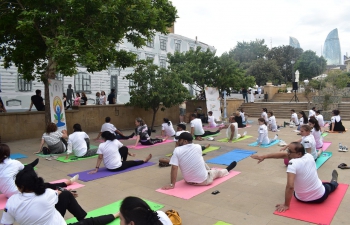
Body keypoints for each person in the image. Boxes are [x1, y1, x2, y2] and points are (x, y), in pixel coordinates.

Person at [0, 164, 120, 225]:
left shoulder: (12, 202)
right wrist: (66, 191)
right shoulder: (48, 194)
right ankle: (116, 214)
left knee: (66, 194)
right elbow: (58, 192)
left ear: (20, 187)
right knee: (90, 222)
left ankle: (82, 218)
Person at [251, 142, 339, 212]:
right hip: (319, 196)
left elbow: (290, 186)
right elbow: (282, 155)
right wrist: (264, 156)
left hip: (301, 198)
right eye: (288, 151)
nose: (288, 154)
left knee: (326, 185)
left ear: (298, 154)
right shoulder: (309, 156)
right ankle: (333, 182)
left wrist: (286, 205)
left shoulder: (293, 163)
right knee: (326, 186)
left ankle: (334, 181)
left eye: (290, 151)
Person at [161, 132, 237, 190]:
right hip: (204, 180)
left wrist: (172, 185)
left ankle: (209, 170)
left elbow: (174, 168)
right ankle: (227, 170)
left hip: (189, 181)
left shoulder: (177, 150)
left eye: (179, 140)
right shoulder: (197, 147)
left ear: (185, 141)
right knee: (217, 172)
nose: (177, 142)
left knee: (200, 160)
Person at [0, 144, 79, 199]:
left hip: (7, 194)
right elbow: (24, 169)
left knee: (26, 170)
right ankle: (66, 183)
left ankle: (31, 166)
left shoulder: (13, 163)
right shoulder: (14, 163)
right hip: (18, 192)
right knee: (44, 185)